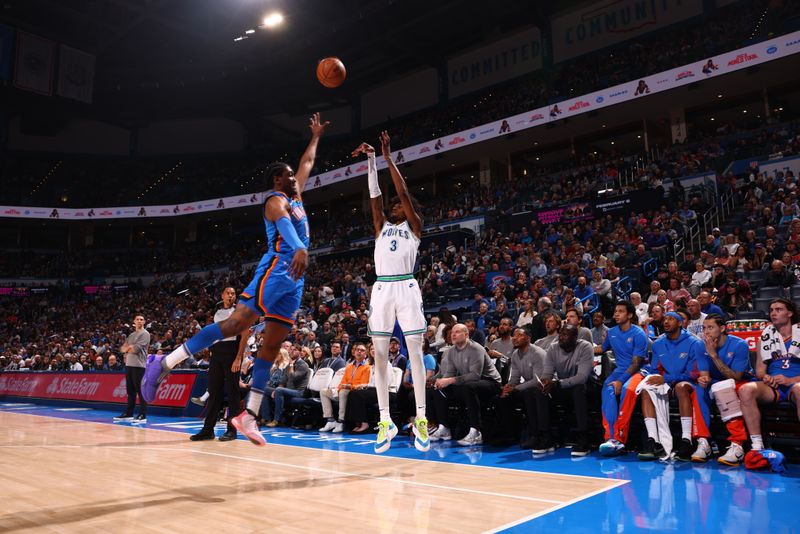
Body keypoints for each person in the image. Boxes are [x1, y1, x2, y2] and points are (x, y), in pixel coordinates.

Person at [141, 112, 328, 446]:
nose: (296, 177)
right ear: (277, 181)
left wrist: (314, 136)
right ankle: (163, 363)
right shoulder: (275, 200)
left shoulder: (296, 195)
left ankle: (248, 415)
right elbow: (285, 226)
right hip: (278, 266)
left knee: (273, 342)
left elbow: (308, 163)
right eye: (288, 175)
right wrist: (300, 247)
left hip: (296, 279)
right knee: (235, 323)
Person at [352, 131, 429, 453]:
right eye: (394, 205)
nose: (395, 205)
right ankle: (386, 419)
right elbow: (374, 197)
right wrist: (370, 162)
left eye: (399, 205)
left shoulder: (414, 225)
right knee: (379, 356)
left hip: (407, 285)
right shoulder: (381, 228)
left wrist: (386, 157)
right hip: (382, 288)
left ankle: (422, 418)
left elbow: (403, 191)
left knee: (414, 351)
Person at [637, 312, 709, 462]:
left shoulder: (694, 342)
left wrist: (666, 378)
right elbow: (655, 370)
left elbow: (692, 374)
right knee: (646, 389)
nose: (666, 322)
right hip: (667, 383)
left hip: (688, 383)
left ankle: (686, 440)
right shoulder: (658, 343)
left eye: (670, 319)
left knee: (681, 387)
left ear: (680, 323)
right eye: (665, 319)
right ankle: (653, 441)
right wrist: (654, 377)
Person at [739, 299, 800, 453]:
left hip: (796, 384)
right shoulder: (764, 338)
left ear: (790, 313)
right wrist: (765, 377)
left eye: (779, 309)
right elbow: (760, 369)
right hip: (774, 386)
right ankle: (757, 445)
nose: (773, 313)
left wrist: (791, 380)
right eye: (771, 310)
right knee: (746, 389)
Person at [430, 324, 502, 446]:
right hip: (468, 383)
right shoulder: (451, 351)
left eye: (457, 332)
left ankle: (476, 432)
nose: (453, 334)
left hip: (490, 382)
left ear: (466, 334)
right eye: (452, 332)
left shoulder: (476, 348)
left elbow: (475, 376)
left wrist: (450, 380)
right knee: (439, 388)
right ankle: (444, 427)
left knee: (469, 387)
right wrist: (441, 381)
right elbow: (450, 373)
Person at [694, 314, 752, 465]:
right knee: (699, 389)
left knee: (723, 388)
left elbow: (736, 377)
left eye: (711, 327)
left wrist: (713, 355)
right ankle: (703, 442)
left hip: (741, 382)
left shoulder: (739, 345)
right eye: (704, 328)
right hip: (716, 383)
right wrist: (703, 379)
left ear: (722, 328)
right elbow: (705, 375)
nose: (706, 332)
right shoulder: (700, 345)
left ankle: (738, 445)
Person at [190, 287, 243, 442]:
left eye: (233, 294)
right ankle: (208, 430)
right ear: (222, 295)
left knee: (233, 392)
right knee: (214, 392)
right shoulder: (217, 313)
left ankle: (232, 430)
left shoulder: (239, 312)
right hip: (217, 354)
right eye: (228, 293)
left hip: (232, 353)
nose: (231, 295)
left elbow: (244, 336)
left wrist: (239, 357)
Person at [595, 301, 649, 456]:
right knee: (607, 389)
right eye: (615, 311)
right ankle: (610, 437)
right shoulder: (611, 332)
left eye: (620, 311)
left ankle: (620, 439)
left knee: (627, 389)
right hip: (619, 371)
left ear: (630, 315)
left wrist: (621, 380)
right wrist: (580, 346)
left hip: (639, 371)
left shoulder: (638, 333)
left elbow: (637, 363)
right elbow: (602, 349)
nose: (616, 314)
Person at [539, 324, 594, 456]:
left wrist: (557, 384)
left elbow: (581, 378)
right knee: (540, 392)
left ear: (575, 337)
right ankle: (546, 437)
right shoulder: (553, 348)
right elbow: (547, 373)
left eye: (565, 334)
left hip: (586, 388)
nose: (561, 337)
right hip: (563, 387)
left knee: (578, 389)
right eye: (560, 334)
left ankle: (583, 440)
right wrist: (545, 382)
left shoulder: (585, 347)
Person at [499, 327, 547, 449]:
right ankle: (508, 435)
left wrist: (515, 389)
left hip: (544, 388)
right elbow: (514, 378)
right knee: (502, 397)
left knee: (529, 393)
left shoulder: (538, 353)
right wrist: (508, 387)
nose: (514, 338)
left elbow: (538, 380)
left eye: (519, 335)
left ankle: (536, 435)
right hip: (527, 388)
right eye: (514, 336)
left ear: (528, 338)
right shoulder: (515, 355)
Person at [319, 342, 371, 433]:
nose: (359, 352)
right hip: (344, 389)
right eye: (357, 350)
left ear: (365, 354)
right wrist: (336, 389)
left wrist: (349, 386)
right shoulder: (349, 366)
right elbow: (343, 381)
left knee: (343, 391)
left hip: (353, 392)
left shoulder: (367, 367)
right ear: (354, 352)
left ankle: (341, 421)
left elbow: (363, 384)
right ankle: (330, 420)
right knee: (323, 391)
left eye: (362, 350)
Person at [113, 315, 151, 424]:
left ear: (144, 322)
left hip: (139, 366)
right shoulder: (131, 335)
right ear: (134, 321)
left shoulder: (145, 334)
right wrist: (128, 348)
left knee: (140, 391)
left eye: (141, 319)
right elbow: (122, 349)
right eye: (137, 319)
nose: (139, 321)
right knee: (130, 391)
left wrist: (128, 348)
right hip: (129, 364)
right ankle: (129, 413)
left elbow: (135, 349)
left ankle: (143, 415)